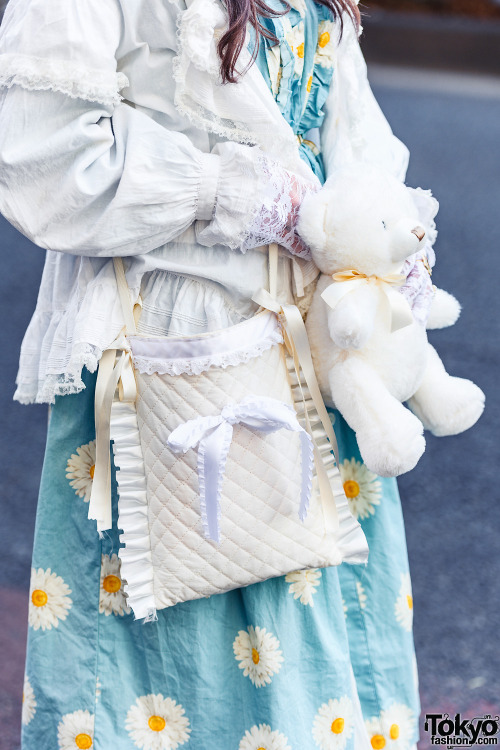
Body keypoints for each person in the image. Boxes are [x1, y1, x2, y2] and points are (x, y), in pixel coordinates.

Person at [0, 0, 425, 747]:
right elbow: (45, 153)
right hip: (180, 366)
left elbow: (354, 133)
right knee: (173, 689)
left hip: (320, 358)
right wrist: (234, 192)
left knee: (330, 675)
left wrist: (388, 236)